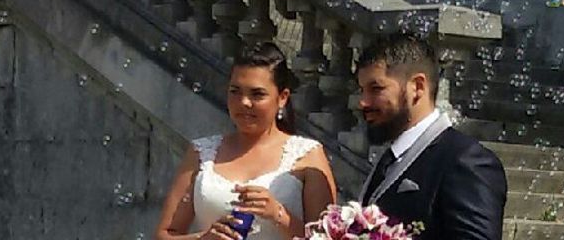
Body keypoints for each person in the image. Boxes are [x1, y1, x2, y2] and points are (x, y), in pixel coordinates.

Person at [154, 42, 336, 240]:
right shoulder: (202, 153)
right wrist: (203, 238)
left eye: (257, 94)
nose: (244, 102)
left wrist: (279, 215)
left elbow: (328, 237)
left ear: (282, 98)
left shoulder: (308, 156)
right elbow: (164, 235)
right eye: (235, 91)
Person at [357, 34, 507, 240]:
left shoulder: (464, 160)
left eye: (376, 89)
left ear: (417, 87)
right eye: (361, 90)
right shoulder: (388, 161)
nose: (363, 102)